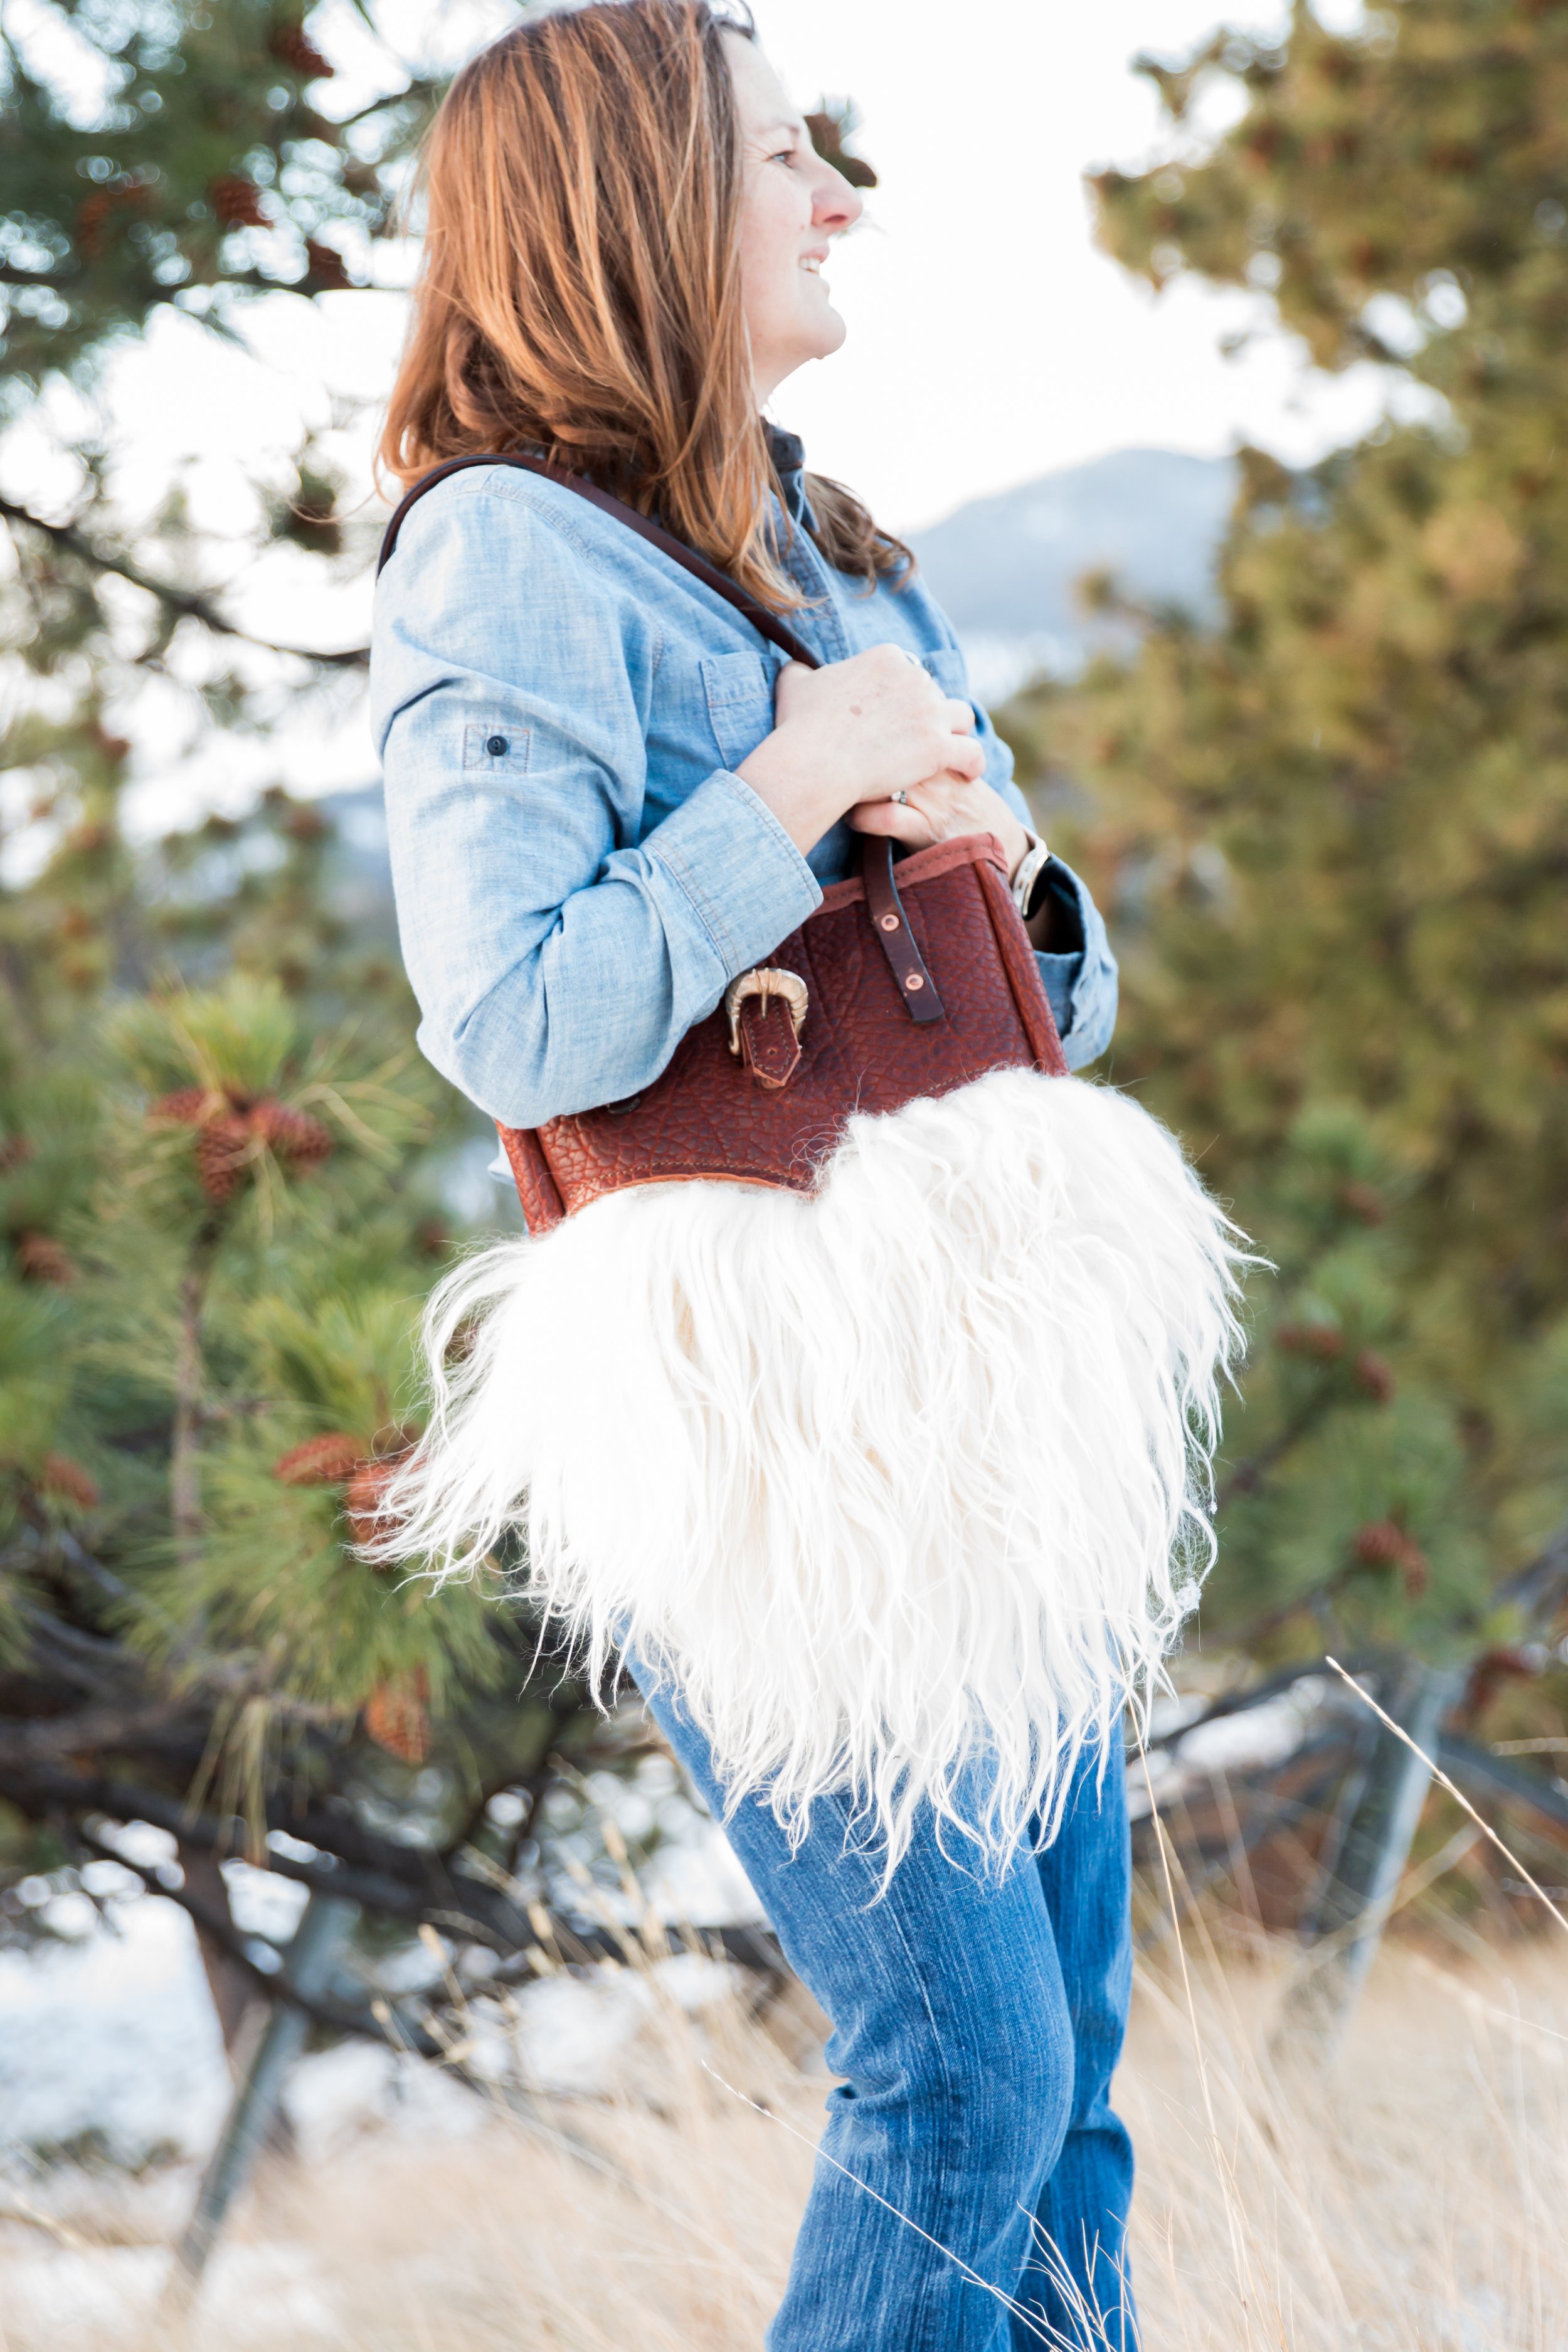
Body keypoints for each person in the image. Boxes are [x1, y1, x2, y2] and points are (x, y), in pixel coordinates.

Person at [371, 8, 1157, 2344]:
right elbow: (511, 1021)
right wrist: (792, 787)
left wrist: (1003, 871)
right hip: (765, 1413)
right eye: (790, 156)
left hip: (994, 1380)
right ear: (636, 208)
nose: (841, 198)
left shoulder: (838, 542)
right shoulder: (502, 559)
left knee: (1076, 2083)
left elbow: (1051, 1007)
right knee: (959, 2070)